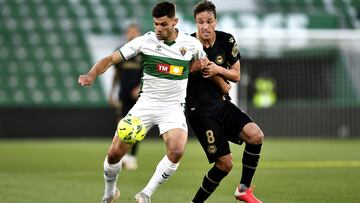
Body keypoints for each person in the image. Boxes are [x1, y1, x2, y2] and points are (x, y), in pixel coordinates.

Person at [78, 2, 208, 203]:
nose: (158, 29)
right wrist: (91, 74)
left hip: (172, 108)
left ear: (175, 22)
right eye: (155, 24)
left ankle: (146, 193)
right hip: (145, 105)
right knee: (113, 154)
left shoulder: (192, 44)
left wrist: (214, 77)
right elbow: (112, 59)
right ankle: (109, 193)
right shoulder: (144, 41)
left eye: (163, 24)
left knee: (177, 150)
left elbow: (204, 64)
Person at [186, 1, 264, 203]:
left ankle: (243, 189)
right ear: (195, 23)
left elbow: (236, 75)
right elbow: (177, 72)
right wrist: (195, 67)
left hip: (222, 104)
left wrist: (217, 70)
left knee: (255, 136)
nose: (204, 26)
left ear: (215, 22)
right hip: (199, 111)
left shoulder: (226, 40)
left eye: (208, 21)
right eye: (200, 22)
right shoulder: (187, 44)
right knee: (225, 164)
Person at [109, 23, 142, 170]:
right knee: (121, 124)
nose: (132, 34)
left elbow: (149, 74)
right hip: (123, 93)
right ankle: (121, 156)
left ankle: (132, 157)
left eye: (135, 32)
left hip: (138, 95)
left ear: (139, 34)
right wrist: (112, 92)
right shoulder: (121, 51)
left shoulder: (144, 52)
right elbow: (116, 73)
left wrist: (141, 88)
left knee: (136, 126)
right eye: (130, 32)